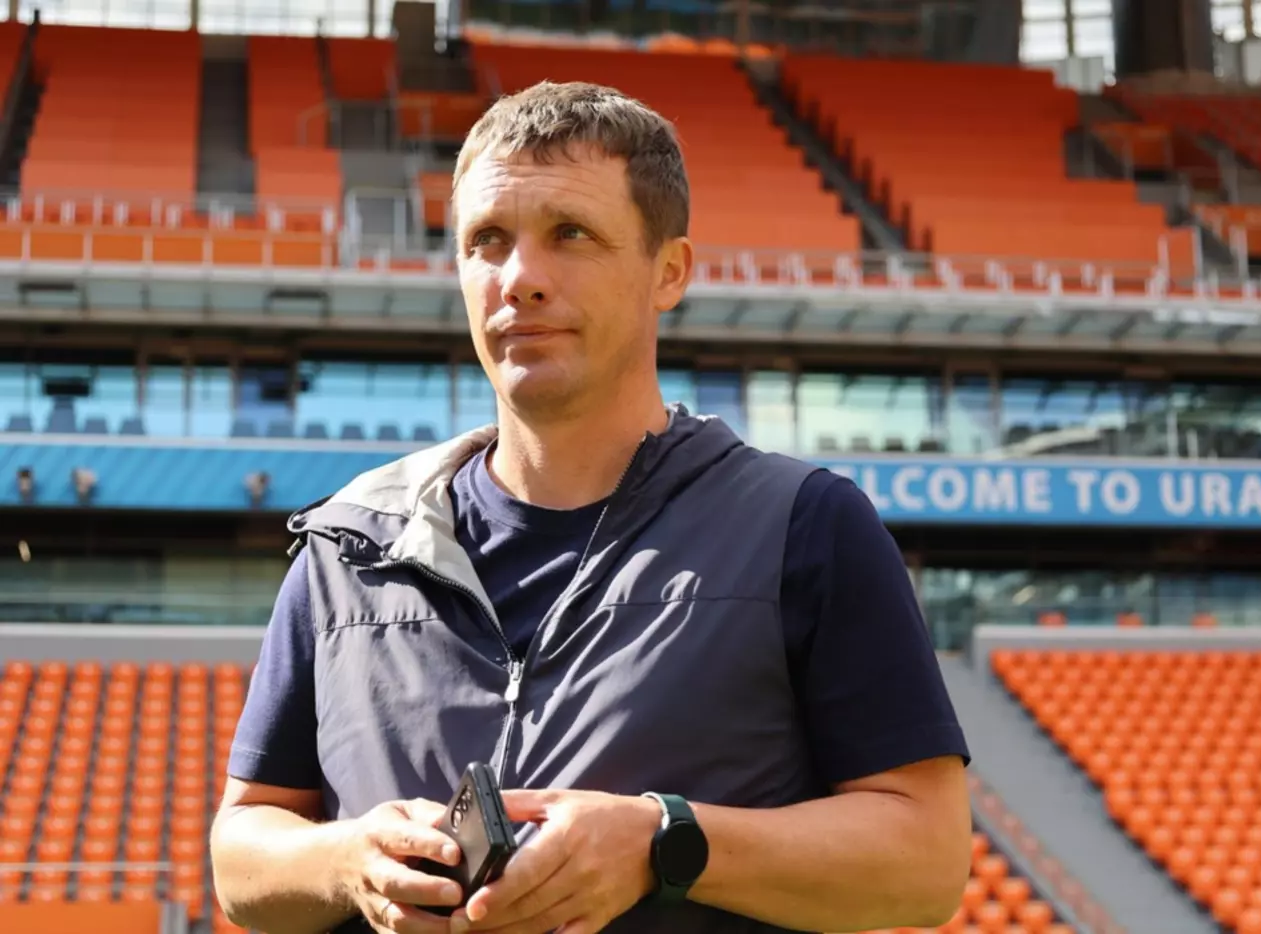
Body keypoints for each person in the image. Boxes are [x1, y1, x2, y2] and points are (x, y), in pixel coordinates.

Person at [210, 80, 971, 934]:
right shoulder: (351, 543)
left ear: (668, 271)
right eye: (487, 241)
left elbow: (927, 862)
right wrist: (347, 861)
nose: (520, 279)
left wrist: (664, 841)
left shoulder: (805, 524)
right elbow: (242, 848)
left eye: (571, 234)